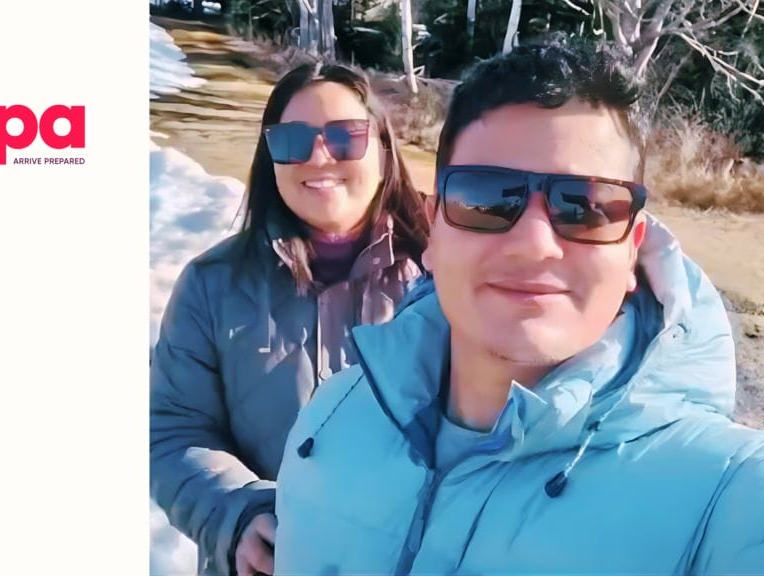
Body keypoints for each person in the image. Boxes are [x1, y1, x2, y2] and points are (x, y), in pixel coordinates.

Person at [274, 38, 764, 574]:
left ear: (632, 249)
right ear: (433, 231)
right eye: (486, 198)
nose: (534, 244)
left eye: (584, 207)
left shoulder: (726, 497)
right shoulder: (332, 416)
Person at [150, 62, 430, 576]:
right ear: (270, 159)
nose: (319, 156)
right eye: (293, 140)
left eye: (345, 136)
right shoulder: (211, 286)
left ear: (384, 149)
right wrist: (238, 513)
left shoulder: (443, 279)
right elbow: (172, 431)